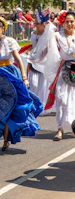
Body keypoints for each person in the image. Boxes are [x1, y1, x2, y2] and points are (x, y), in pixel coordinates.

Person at [0, 16, 42, 150]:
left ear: (3, 29)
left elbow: (18, 59)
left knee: (8, 108)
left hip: (8, 75)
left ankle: (6, 139)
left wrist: (24, 77)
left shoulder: (9, 42)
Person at [29, 10, 75, 140]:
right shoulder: (57, 35)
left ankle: (73, 127)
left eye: (72, 21)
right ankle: (60, 128)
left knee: (73, 98)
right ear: (63, 22)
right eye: (67, 21)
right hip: (63, 69)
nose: (70, 24)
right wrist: (48, 26)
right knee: (61, 98)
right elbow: (46, 45)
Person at [27, 12, 55, 116]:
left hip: (45, 61)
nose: (36, 25)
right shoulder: (33, 34)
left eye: (38, 23)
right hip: (35, 60)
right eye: (35, 23)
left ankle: (42, 105)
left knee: (43, 84)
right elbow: (34, 46)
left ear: (44, 24)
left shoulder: (49, 34)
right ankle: (34, 104)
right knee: (34, 83)